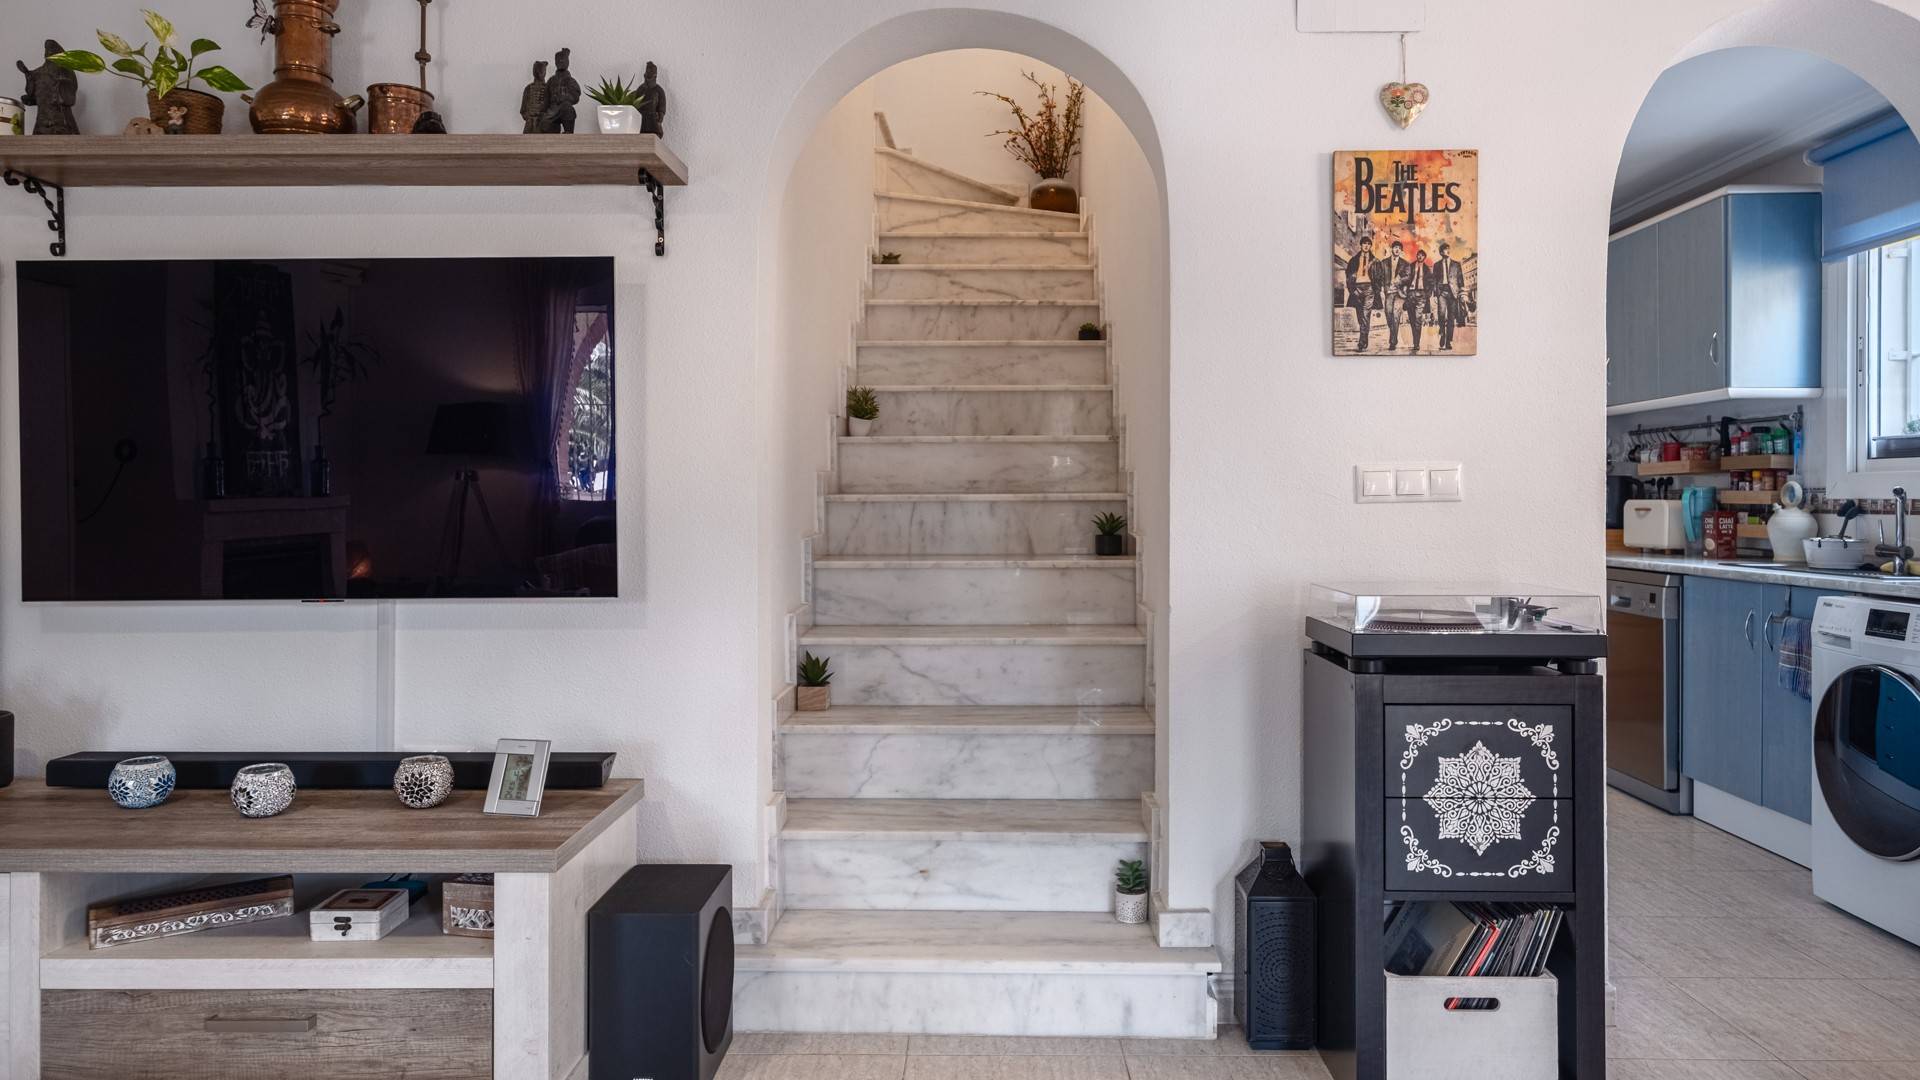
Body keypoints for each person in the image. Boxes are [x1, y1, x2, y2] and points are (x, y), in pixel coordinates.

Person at [1343, 234, 1376, 350]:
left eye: (1368, 244)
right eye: (1364, 244)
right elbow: (1348, 277)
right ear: (1361, 245)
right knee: (1360, 316)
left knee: (1366, 314)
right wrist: (1352, 290)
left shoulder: (1375, 261)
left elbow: (1379, 276)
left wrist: (1376, 288)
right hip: (1357, 289)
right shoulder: (1353, 260)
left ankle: (1361, 342)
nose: (1366, 246)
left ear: (1370, 246)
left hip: (1369, 289)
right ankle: (1364, 338)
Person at [1377, 241, 1410, 352]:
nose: (1397, 249)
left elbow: (1408, 277)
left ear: (1401, 251)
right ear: (1392, 249)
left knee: (1396, 316)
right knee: (1388, 315)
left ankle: (1393, 341)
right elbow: (1380, 277)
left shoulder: (1405, 263)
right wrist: (1382, 289)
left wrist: (1399, 281)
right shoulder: (1384, 262)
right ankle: (1393, 334)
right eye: (1395, 247)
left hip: (1399, 293)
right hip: (1388, 292)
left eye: (1399, 248)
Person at [1435, 241, 1467, 351]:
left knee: (1451, 318)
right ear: (1441, 252)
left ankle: (1448, 341)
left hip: (1453, 293)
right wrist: (1436, 294)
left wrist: (1462, 293)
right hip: (1441, 292)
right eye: (1445, 249)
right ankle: (1442, 334)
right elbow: (1434, 280)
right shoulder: (1436, 265)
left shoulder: (1456, 264)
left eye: (1449, 249)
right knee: (1441, 314)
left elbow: (1460, 279)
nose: (1448, 251)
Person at [540, 48, 580, 134]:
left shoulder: (571, 81)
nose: (561, 62)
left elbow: (576, 97)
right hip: (552, 111)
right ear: (555, 62)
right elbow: (546, 98)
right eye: (558, 60)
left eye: (563, 60)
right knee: (545, 125)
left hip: (565, 108)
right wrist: (542, 112)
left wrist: (565, 97)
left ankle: (568, 132)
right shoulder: (551, 80)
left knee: (568, 108)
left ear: (567, 62)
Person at [1406, 249, 1436, 351]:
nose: (1420, 256)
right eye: (1419, 255)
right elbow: (1405, 279)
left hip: (1421, 295)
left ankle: (1416, 343)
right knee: (1412, 320)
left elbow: (1432, 283)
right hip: (1410, 295)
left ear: (1424, 257)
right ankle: (1415, 339)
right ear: (1416, 255)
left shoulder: (1427, 269)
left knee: (1418, 319)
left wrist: (1427, 294)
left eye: (1422, 255)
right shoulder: (1410, 266)